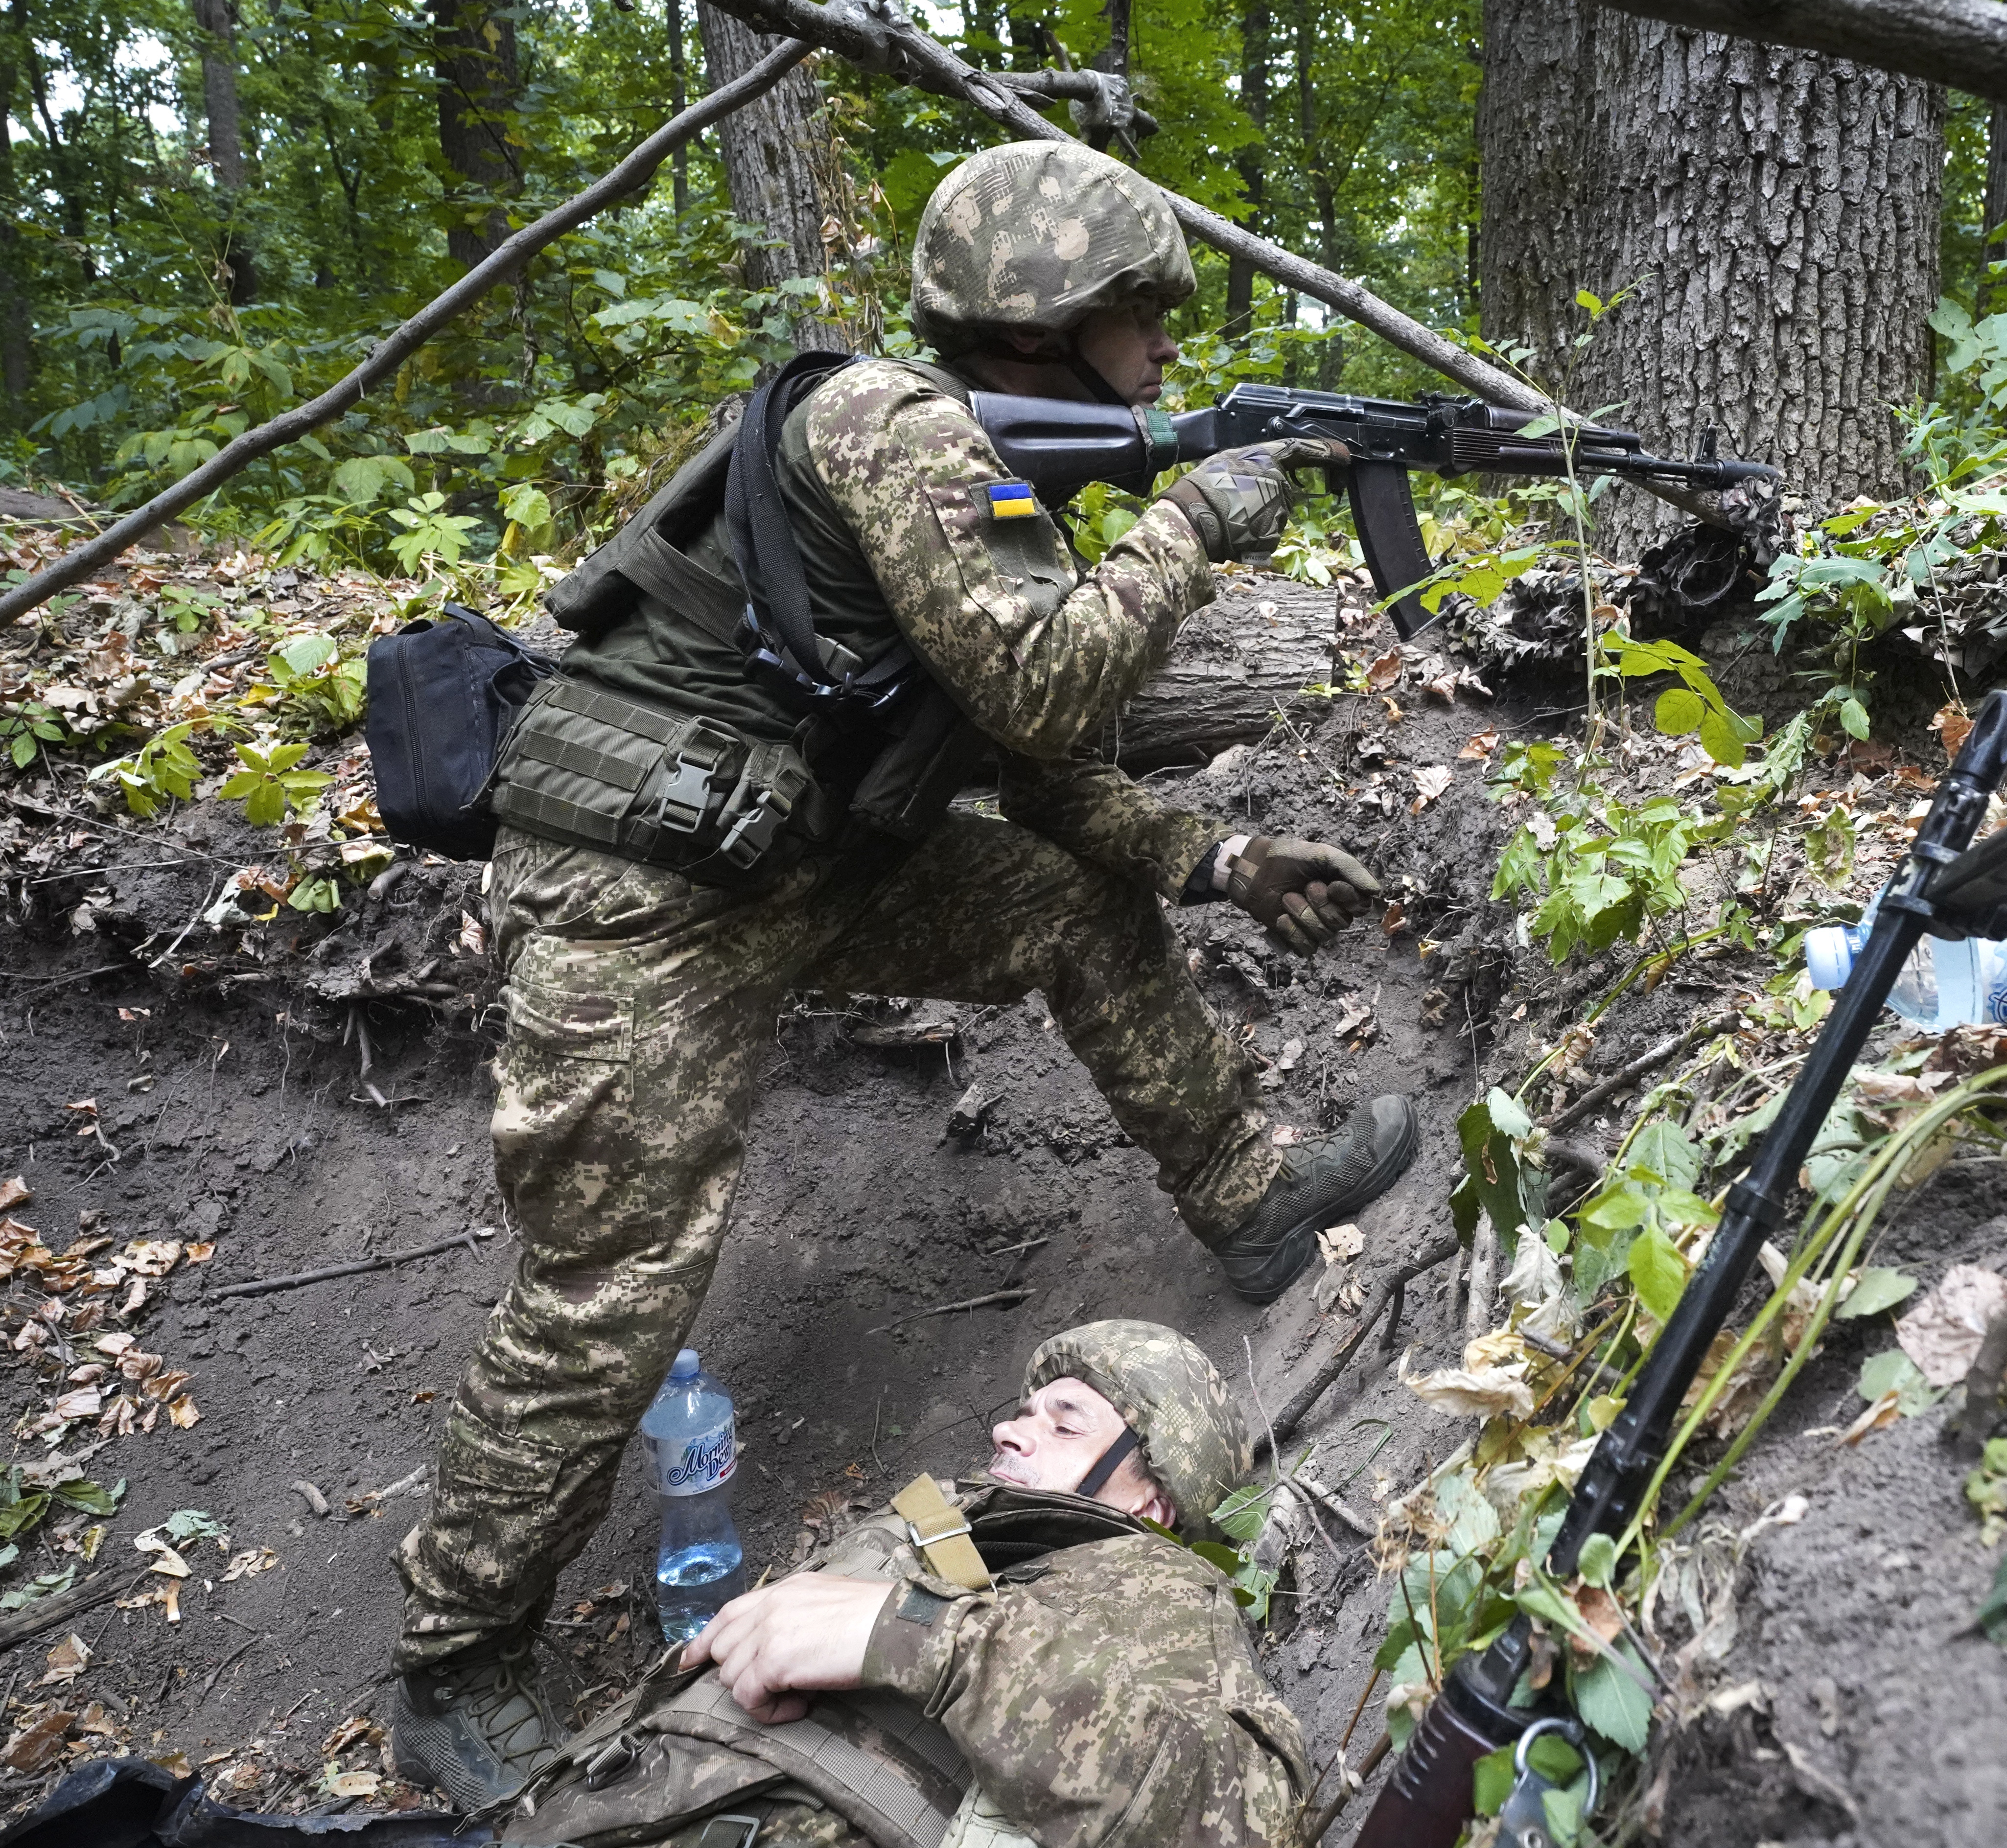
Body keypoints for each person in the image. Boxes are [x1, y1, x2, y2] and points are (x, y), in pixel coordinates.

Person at [390, 138, 1419, 1805]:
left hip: (792, 860)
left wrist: (1207, 859)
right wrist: (1189, 524)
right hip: (636, 903)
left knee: (1067, 902)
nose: (1166, 348)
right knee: (614, 1287)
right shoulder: (893, 422)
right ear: (1045, 318)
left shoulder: (983, 463)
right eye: (1143, 314)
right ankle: (453, 1656)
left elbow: (1025, 757)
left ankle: (1249, 1192)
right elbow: (1041, 676)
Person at [498, 1320, 1306, 1848]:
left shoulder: (1158, 1590)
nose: (1009, 1427)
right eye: (1023, 1411)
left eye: (1065, 1422)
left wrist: (921, 1636)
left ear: (1152, 1499)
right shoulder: (947, 1530)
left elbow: (1245, 1816)